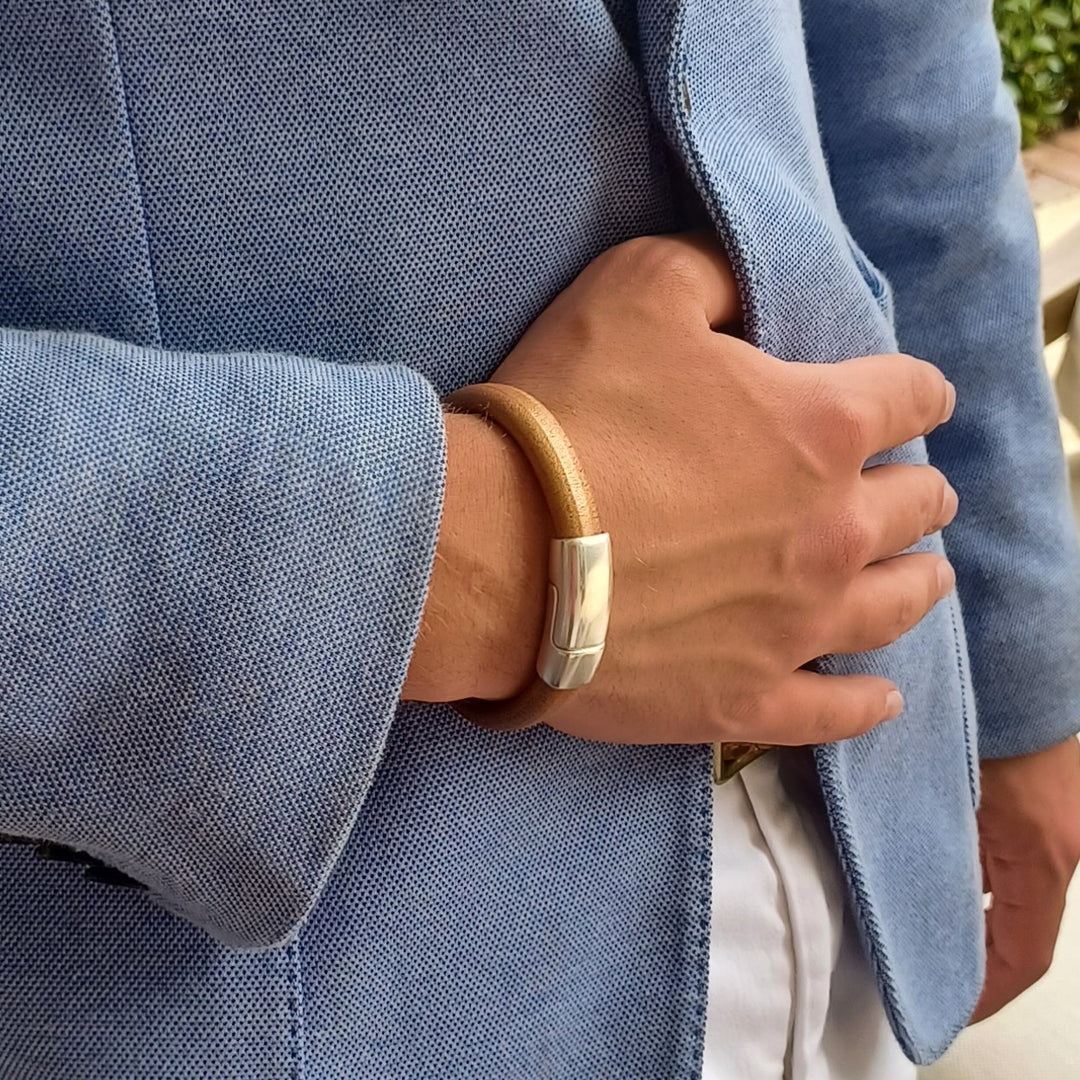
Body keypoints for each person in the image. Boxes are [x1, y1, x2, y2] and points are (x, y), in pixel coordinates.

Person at [1, 2, 1078, 1078]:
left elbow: (896, 42)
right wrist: (486, 555)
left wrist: (1015, 658)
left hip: (852, 846)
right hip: (281, 978)